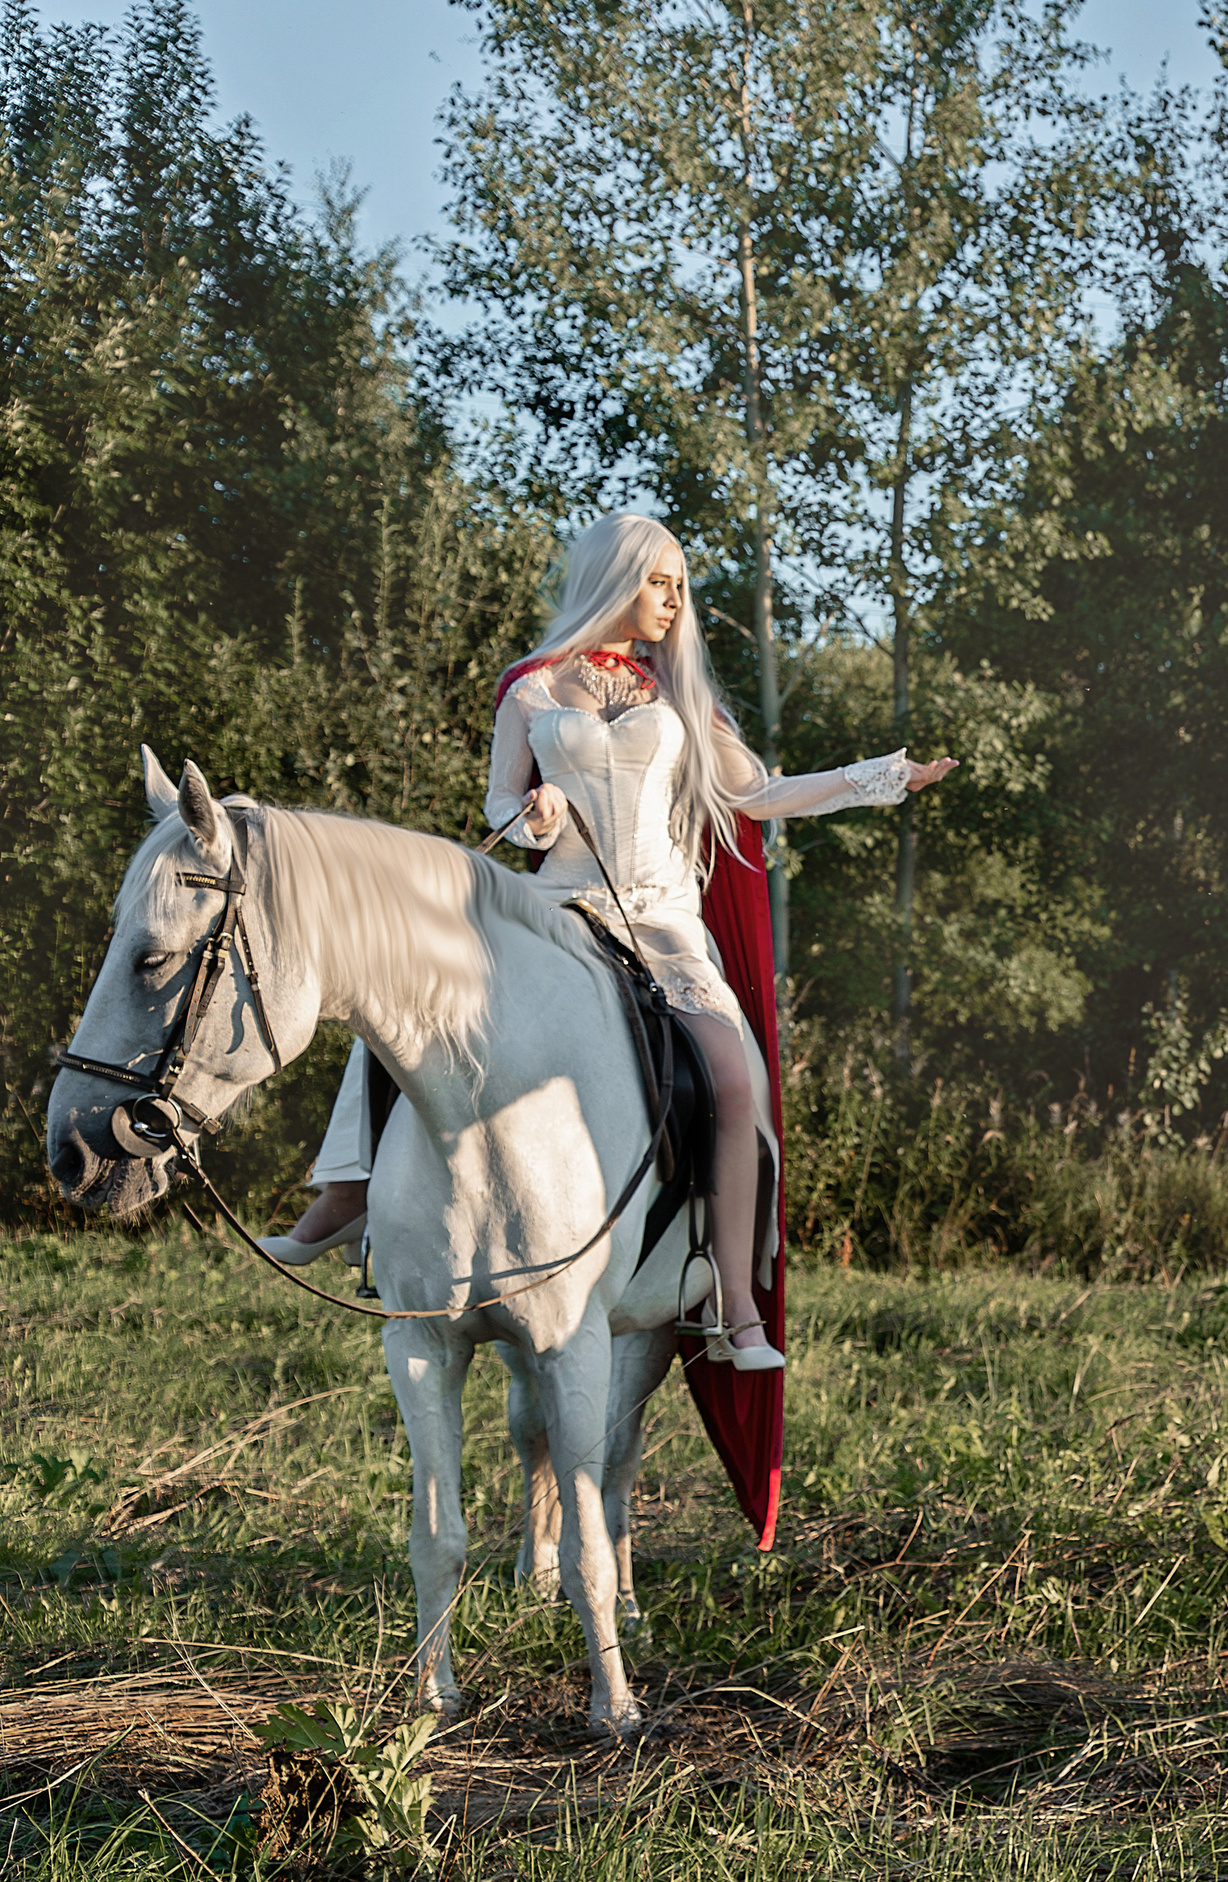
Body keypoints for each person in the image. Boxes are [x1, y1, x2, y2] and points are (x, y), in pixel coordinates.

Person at [261, 512, 957, 1375]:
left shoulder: (677, 695)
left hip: (660, 919)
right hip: (553, 906)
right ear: (616, 577)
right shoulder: (532, 685)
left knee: (733, 1080)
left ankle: (733, 1300)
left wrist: (883, 778)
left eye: (679, 586)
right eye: (659, 581)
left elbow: (761, 793)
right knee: (406, 997)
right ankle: (346, 1194)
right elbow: (498, 803)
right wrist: (536, 812)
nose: (673, 601)